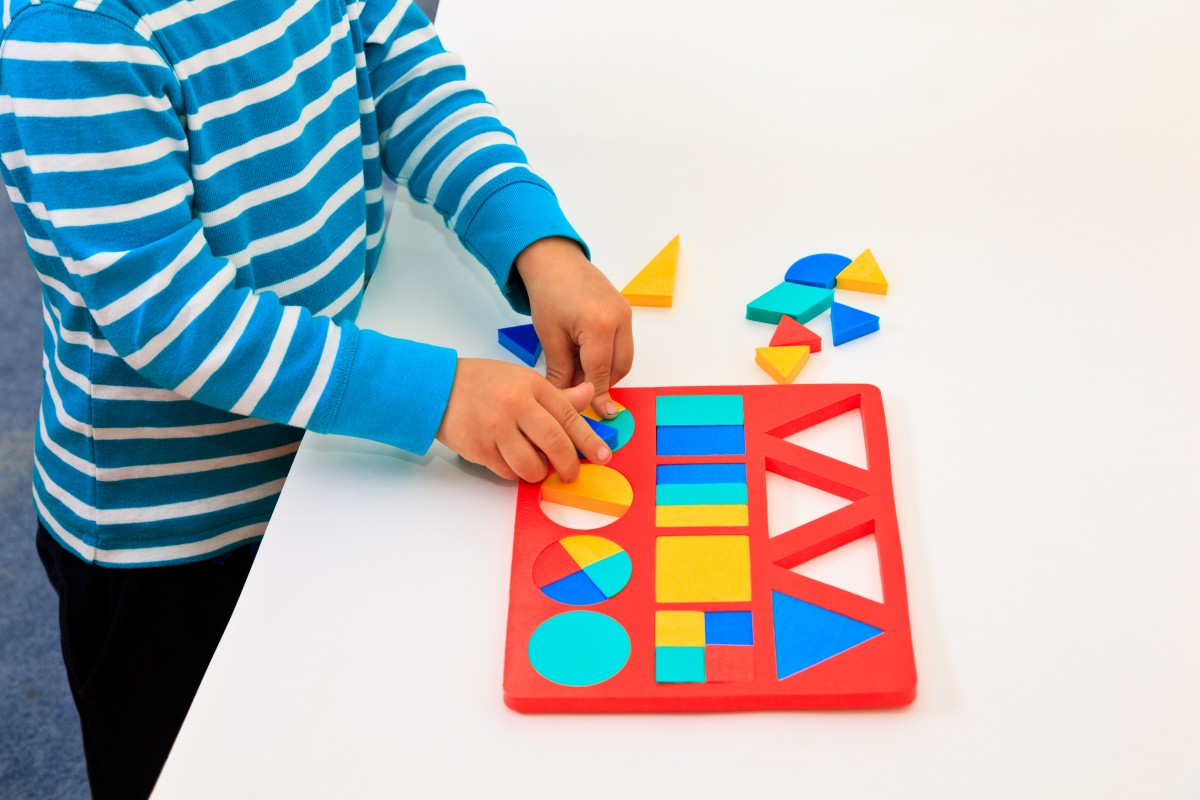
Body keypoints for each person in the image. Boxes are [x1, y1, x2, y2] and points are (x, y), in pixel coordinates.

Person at [0, 0, 633, 796]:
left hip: (333, 465)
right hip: (179, 543)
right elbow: (169, 316)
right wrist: (438, 394)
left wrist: (539, 247)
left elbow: (408, 77)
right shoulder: (72, 34)